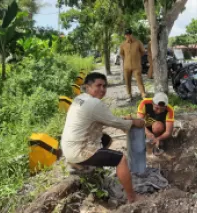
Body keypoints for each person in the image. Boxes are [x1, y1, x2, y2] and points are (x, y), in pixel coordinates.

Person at [61, 72, 145, 203]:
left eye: (104, 86)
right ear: (87, 87)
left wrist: (124, 121)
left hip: (68, 148)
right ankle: (132, 197)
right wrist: (134, 122)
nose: (102, 89)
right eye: (98, 85)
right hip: (79, 150)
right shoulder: (94, 104)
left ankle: (83, 164)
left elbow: (105, 120)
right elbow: (115, 122)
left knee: (106, 139)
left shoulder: (80, 99)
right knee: (121, 159)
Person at [120, 28, 146, 101]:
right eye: (126, 35)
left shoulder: (138, 42)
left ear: (132, 34)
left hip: (136, 66)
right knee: (127, 81)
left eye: (129, 34)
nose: (128, 36)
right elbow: (121, 54)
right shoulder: (123, 44)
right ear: (125, 36)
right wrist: (126, 59)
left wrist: (137, 57)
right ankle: (129, 95)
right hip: (126, 66)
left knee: (139, 80)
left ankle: (143, 94)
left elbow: (143, 52)